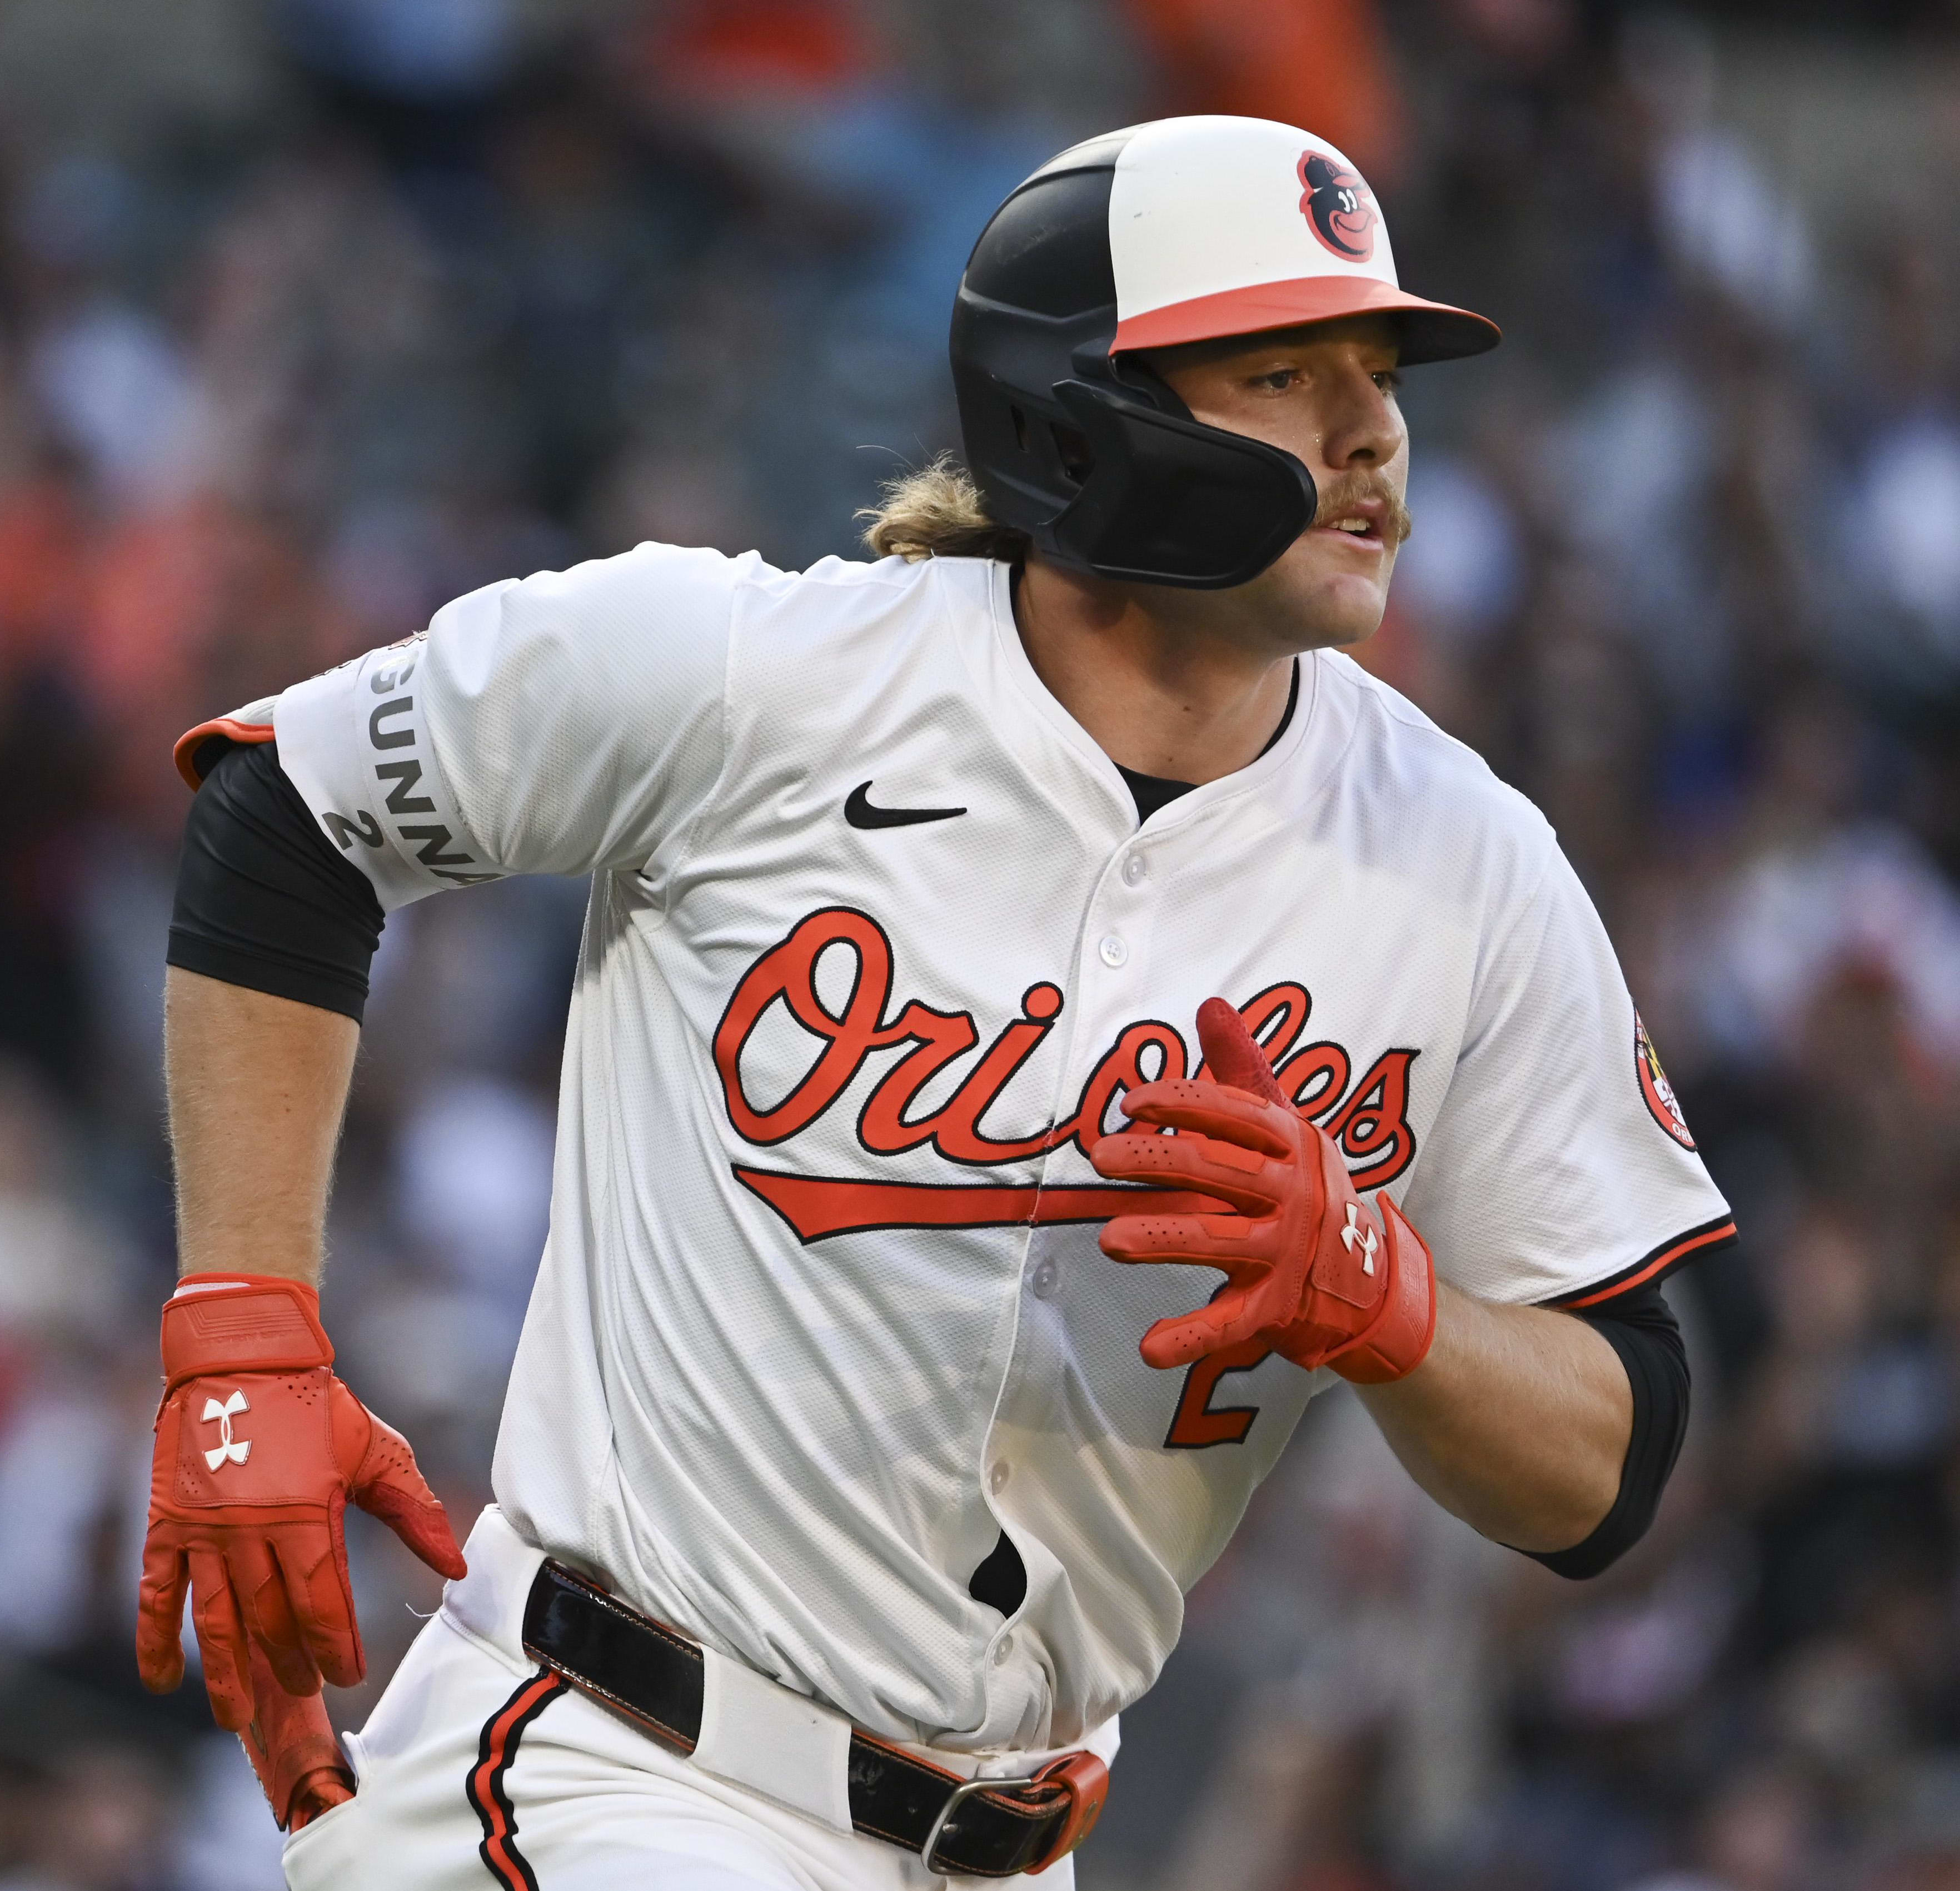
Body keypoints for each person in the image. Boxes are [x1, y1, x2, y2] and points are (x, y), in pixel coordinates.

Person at [143, 115, 1732, 1887]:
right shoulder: (759, 679)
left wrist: (1397, 1304)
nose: (1371, 432)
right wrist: (244, 1337)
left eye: (1382, 373)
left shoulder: (1467, 867)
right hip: (618, 1770)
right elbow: (287, 808)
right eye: (1286, 371)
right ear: (1076, 419)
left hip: (1011, 1845)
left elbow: (1615, 1458)